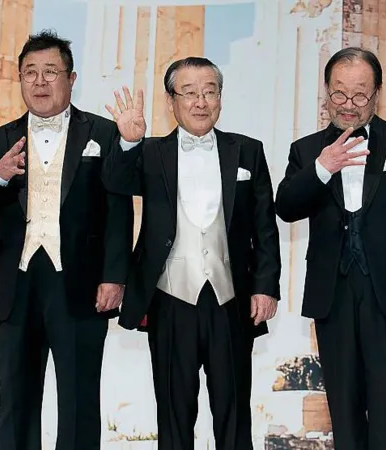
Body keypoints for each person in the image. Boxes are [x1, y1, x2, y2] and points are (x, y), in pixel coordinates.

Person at [0, 30, 134, 450]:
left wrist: (114, 277)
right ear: (20, 80)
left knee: (78, 401)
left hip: (80, 286)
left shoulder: (105, 134)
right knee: (16, 401)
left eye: (50, 72)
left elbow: (119, 212)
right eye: (30, 73)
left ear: (71, 79)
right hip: (14, 289)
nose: (39, 82)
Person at [102, 56, 281, 450]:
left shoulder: (248, 151)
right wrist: (129, 141)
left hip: (231, 300)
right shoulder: (150, 152)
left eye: (209, 92)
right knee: (174, 413)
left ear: (220, 98)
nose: (200, 102)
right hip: (170, 300)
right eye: (189, 93)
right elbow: (114, 181)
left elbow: (265, 226)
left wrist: (266, 287)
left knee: (234, 413)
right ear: (171, 101)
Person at [275, 47, 386, 450]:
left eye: (360, 95)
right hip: (332, 292)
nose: (348, 105)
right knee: (343, 405)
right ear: (326, 92)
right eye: (339, 94)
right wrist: (322, 167)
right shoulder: (306, 149)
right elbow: (286, 206)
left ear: (377, 94)